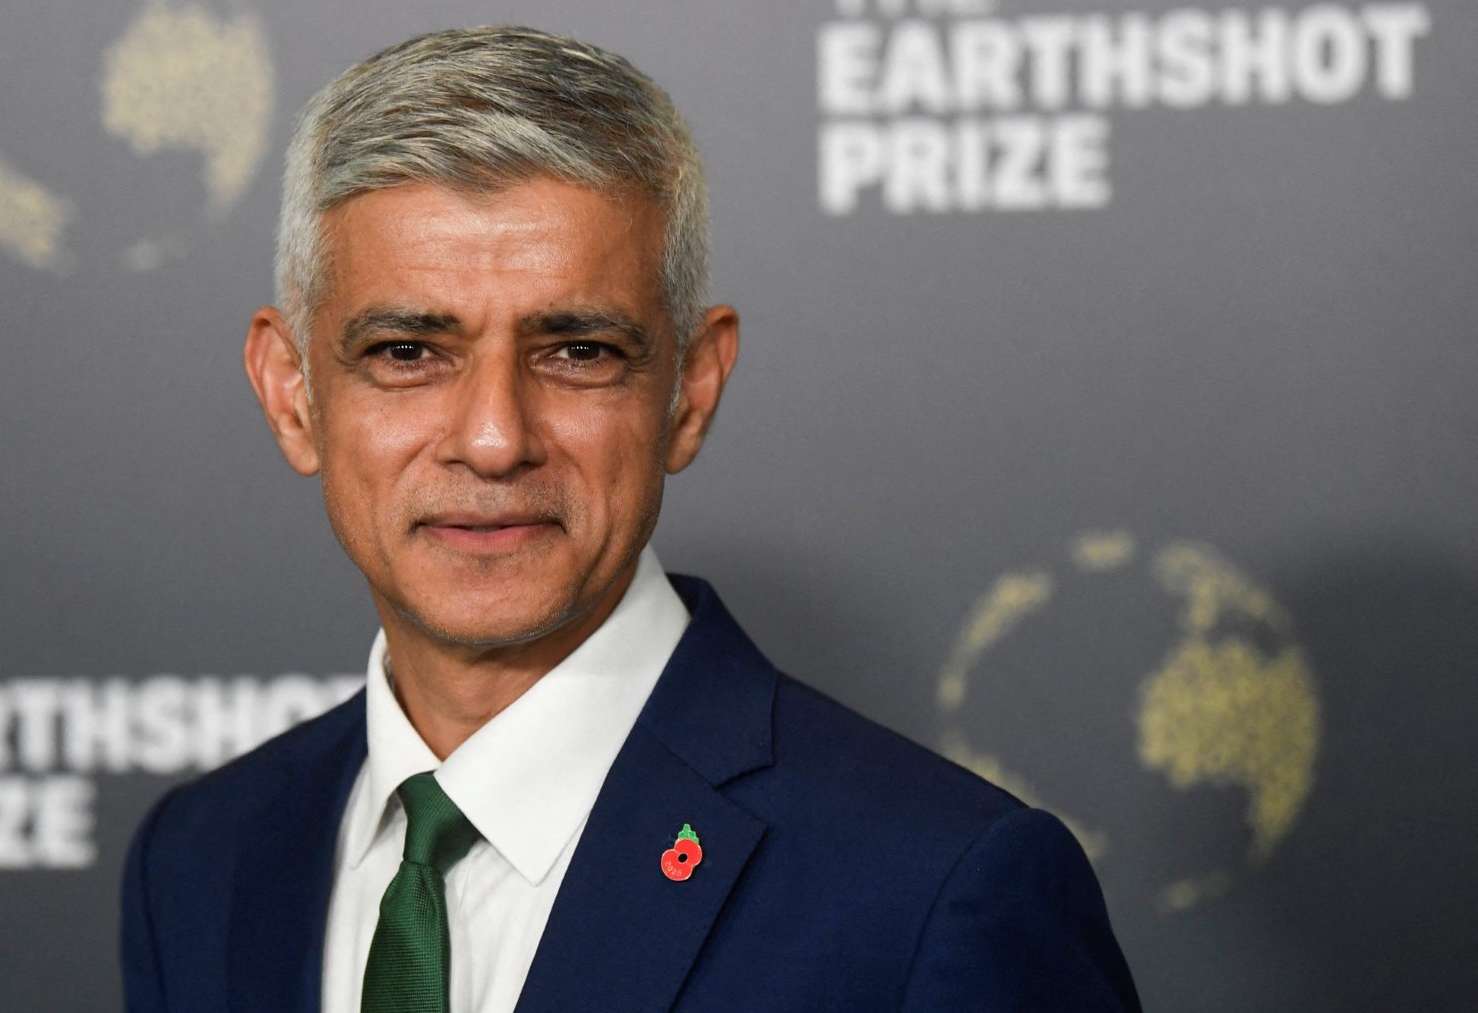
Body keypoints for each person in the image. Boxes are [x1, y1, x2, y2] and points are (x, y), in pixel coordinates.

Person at [120, 25, 1140, 1013]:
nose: (492, 438)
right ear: (292, 391)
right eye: (406, 351)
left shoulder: (934, 887)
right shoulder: (201, 860)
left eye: (577, 351)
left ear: (690, 391)